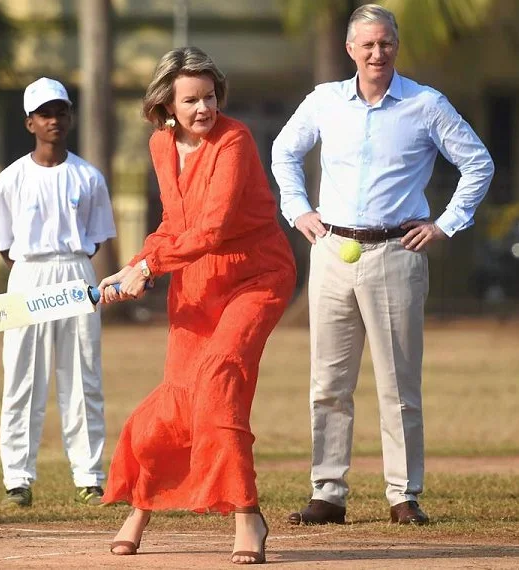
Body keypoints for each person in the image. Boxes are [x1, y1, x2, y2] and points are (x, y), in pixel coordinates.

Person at [271, 4, 494, 526]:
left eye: (385, 43)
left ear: (396, 46)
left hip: (398, 252)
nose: (377, 52)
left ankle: (403, 494)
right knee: (328, 382)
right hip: (332, 250)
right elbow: (284, 151)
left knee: (398, 385)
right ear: (351, 49)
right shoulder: (325, 101)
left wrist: (445, 223)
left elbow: (478, 162)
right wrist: (298, 209)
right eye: (367, 44)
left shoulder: (425, 104)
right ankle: (327, 493)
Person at [98, 46, 296, 564]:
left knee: (219, 379)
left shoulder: (235, 140)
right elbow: (174, 223)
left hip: (256, 277)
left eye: (209, 96)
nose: (203, 107)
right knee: (177, 398)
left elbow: (213, 227)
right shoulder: (161, 147)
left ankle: (247, 514)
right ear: (166, 104)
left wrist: (149, 268)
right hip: (196, 280)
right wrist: (136, 263)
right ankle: (141, 506)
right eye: (191, 100)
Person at [0, 77, 117, 508]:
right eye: (45, 114)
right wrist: (35, 273)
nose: (54, 120)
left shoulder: (89, 177)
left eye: (61, 111)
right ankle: (17, 480)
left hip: (77, 274)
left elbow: (96, 238)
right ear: (30, 124)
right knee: (23, 377)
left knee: (82, 376)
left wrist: (68, 268)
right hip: (27, 275)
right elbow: (5, 247)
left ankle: (90, 476)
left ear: (70, 116)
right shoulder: (10, 179)